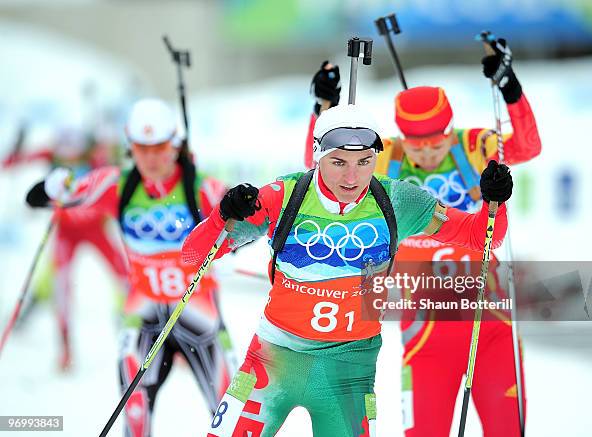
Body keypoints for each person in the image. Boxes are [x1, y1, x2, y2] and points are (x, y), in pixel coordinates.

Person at [181, 102, 514, 436]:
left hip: (348, 369)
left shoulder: (397, 200)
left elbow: (482, 237)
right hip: (273, 359)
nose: (352, 176)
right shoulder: (283, 196)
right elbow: (194, 257)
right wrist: (221, 215)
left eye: (364, 162)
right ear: (317, 155)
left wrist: (493, 203)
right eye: (338, 162)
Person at [308, 36, 541, 436]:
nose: (429, 153)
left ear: (451, 130)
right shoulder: (386, 158)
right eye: (418, 144)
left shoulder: (474, 146)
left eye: (437, 141)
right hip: (424, 331)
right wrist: (323, 110)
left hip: (491, 324)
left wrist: (510, 88)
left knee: (507, 430)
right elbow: (323, 170)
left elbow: (527, 146)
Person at [25, 98, 232, 437]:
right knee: (134, 413)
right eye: (141, 148)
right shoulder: (116, 184)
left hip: (200, 314)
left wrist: (238, 210)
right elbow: (55, 194)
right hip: (143, 315)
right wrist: (53, 187)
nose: (150, 157)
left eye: (159, 147)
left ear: (175, 144)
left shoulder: (201, 186)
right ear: (129, 146)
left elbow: (252, 221)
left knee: (230, 412)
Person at [3, 123, 128, 371]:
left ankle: (131, 323)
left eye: (75, 152)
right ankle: (65, 349)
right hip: (65, 231)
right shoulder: (51, 154)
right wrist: (16, 152)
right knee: (59, 286)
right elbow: (14, 161)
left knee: (124, 276)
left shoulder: (96, 156)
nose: (69, 157)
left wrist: (112, 147)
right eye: (64, 153)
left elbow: (118, 165)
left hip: (96, 228)